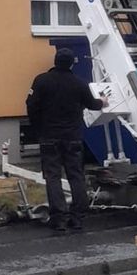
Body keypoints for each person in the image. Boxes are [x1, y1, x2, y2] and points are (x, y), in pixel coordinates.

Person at [26, 47, 106, 232]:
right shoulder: (79, 83)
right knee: (76, 176)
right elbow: (92, 104)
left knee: (52, 177)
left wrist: (38, 127)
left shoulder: (41, 81)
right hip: (73, 137)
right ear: (72, 64)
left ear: (54, 61)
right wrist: (103, 101)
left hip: (48, 136)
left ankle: (59, 218)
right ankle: (77, 217)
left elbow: (31, 105)